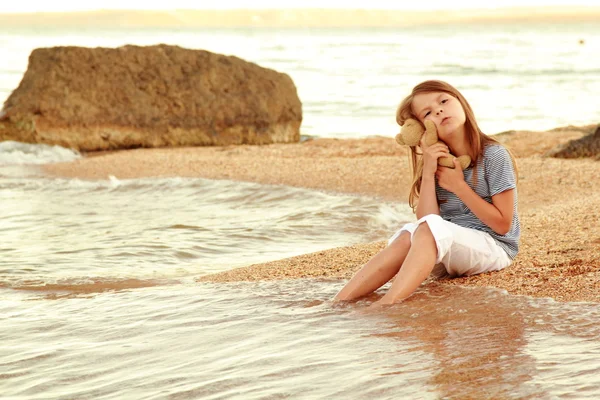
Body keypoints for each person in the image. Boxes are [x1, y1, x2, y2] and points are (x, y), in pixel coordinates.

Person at [334, 80, 520, 306]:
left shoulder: (494, 155)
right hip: (446, 249)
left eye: (443, 101)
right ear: (423, 128)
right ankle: (338, 303)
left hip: (494, 248)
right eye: (428, 112)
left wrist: (459, 187)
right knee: (408, 235)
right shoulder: (434, 162)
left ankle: (386, 305)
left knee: (427, 230)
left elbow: (503, 225)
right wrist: (430, 171)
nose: (439, 110)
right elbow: (427, 219)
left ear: (461, 102)